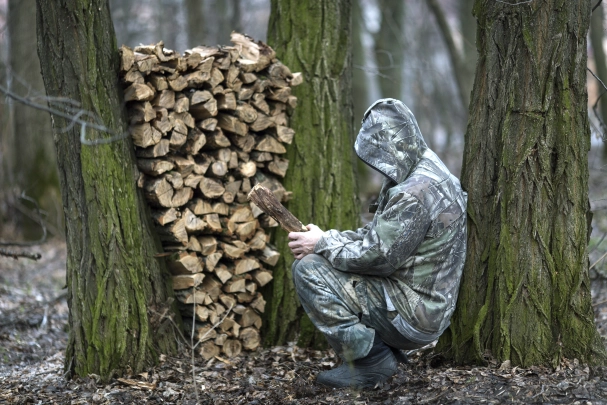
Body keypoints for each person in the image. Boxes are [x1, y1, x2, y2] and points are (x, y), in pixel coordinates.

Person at [287, 99, 467, 389]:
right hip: (427, 304)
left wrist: (320, 244)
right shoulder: (426, 168)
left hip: (415, 315)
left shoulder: (412, 193)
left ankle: (370, 362)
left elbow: (378, 257)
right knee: (318, 258)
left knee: (308, 269)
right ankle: (383, 354)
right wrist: (326, 238)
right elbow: (380, 238)